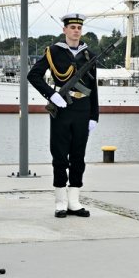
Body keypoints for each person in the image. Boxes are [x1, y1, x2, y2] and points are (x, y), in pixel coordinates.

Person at [27, 13, 99, 218]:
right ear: (64, 29)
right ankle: (60, 201)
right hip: (61, 108)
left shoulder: (88, 54)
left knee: (78, 156)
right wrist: (51, 95)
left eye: (79, 27)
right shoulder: (54, 52)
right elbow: (33, 75)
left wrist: (94, 115)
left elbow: (93, 87)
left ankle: (74, 201)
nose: (76, 30)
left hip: (82, 109)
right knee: (59, 156)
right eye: (72, 27)